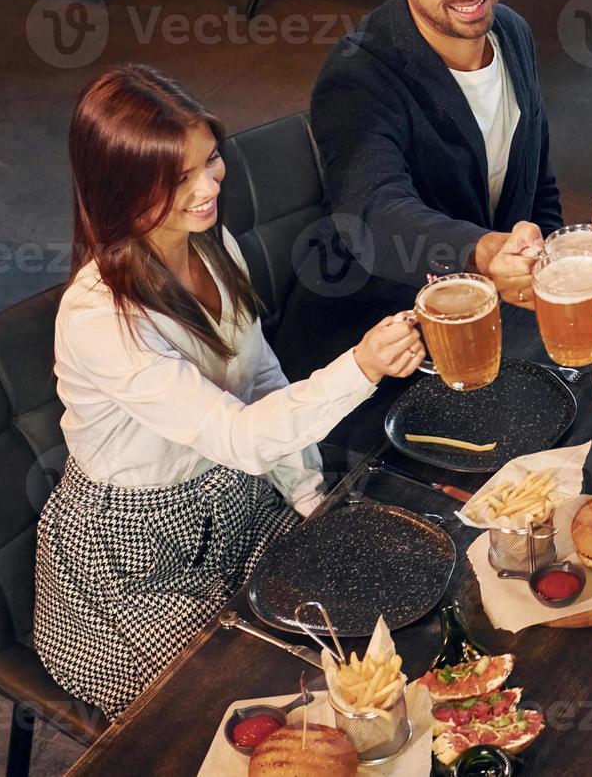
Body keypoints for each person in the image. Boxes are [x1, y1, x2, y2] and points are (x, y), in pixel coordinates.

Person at [34, 66, 425, 717]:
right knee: (250, 707)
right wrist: (361, 367)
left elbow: (261, 380)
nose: (208, 186)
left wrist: (307, 496)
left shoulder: (213, 248)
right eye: (177, 179)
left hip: (236, 502)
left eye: (209, 160)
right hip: (134, 555)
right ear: (118, 188)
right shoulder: (99, 317)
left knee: (356, 640)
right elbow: (240, 435)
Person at [276, 0, 561, 375]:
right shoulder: (356, 74)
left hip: (490, 321)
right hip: (380, 347)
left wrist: (549, 274)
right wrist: (483, 251)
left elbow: (536, 184)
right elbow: (374, 214)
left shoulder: (513, 33)